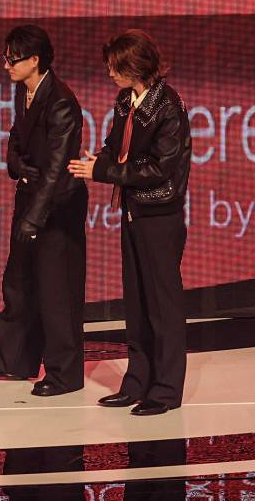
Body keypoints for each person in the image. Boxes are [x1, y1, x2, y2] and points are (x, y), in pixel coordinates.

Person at [68, 29, 191, 416]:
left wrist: (103, 171)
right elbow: (114, 146)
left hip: (160, 215)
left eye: (115, 66)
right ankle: (137, 381)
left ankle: (166, 389)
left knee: (163, 306)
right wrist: (99, 161)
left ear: (134, 66)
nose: (109, 73)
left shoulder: (168, 106)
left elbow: (158, 169)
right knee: (136, 303)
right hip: (134, 211)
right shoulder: (126, 101)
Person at [0, 24, 88, 397]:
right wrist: (15, 162)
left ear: (35, 60)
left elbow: (56, 169)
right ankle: (12, 359)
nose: (6, 65)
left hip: (57, 204)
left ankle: (64, 373)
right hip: (30, 195)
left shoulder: (61, 101)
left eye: (12, 59)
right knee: (18, 282)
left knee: (56, 290)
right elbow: (17, 135)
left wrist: (34, 218)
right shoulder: (24, 90)